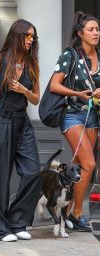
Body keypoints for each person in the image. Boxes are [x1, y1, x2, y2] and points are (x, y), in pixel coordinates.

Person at [0, 19, 41, 242]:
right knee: (0, 178)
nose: (31, 40)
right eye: (28, 36)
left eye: (33, 36)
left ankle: (17, 220)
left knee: (33, 172)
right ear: (17, 36)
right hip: (2, 121)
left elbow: (36, 99)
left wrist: (24, 90)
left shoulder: (32, 64)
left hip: (23, 123)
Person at [50, 11, 100, 232]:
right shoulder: (69, 55)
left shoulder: (99, 56)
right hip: (72, 114)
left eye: (97, 29)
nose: (96, 33)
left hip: (93, 116)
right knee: (89, 164)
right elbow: (54, 85)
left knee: (82, 167)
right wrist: (78, 94)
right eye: (91, 29)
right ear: (80, 33)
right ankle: (78, 212)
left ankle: (67, 210)